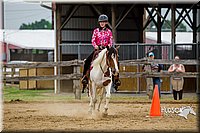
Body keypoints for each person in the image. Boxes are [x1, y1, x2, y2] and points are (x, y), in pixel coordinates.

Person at [81, 14, 120, 92]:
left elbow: (111, 40)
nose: (102, 23)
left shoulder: (109, 31)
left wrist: (109, 45)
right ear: (99, 23)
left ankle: (116, 79)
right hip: (98, 50)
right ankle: (85, 77)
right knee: (88, 61)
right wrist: (95, 46)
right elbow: (93, 40)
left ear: (106, 23)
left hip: (106, 50)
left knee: (115, 61)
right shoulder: (96, 31)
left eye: (104, 22)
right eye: (101, 22)